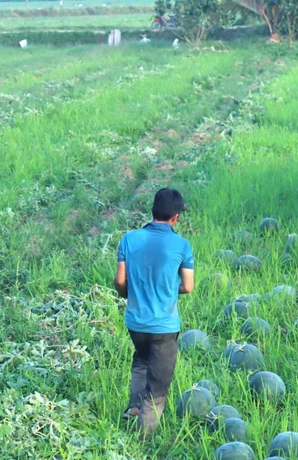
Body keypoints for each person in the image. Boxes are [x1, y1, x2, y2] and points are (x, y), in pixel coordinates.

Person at [114, 188, 194, 439]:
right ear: (175, 217)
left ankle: (134, 407)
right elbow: (188, 287)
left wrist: (132, 292)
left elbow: (119, 282)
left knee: (141, 360)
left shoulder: (129, 239)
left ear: (153, 211)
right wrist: (169, 289)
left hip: (135, 322)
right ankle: (143, 440)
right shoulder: (182, 245)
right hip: (164, 326)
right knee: (158, 386)